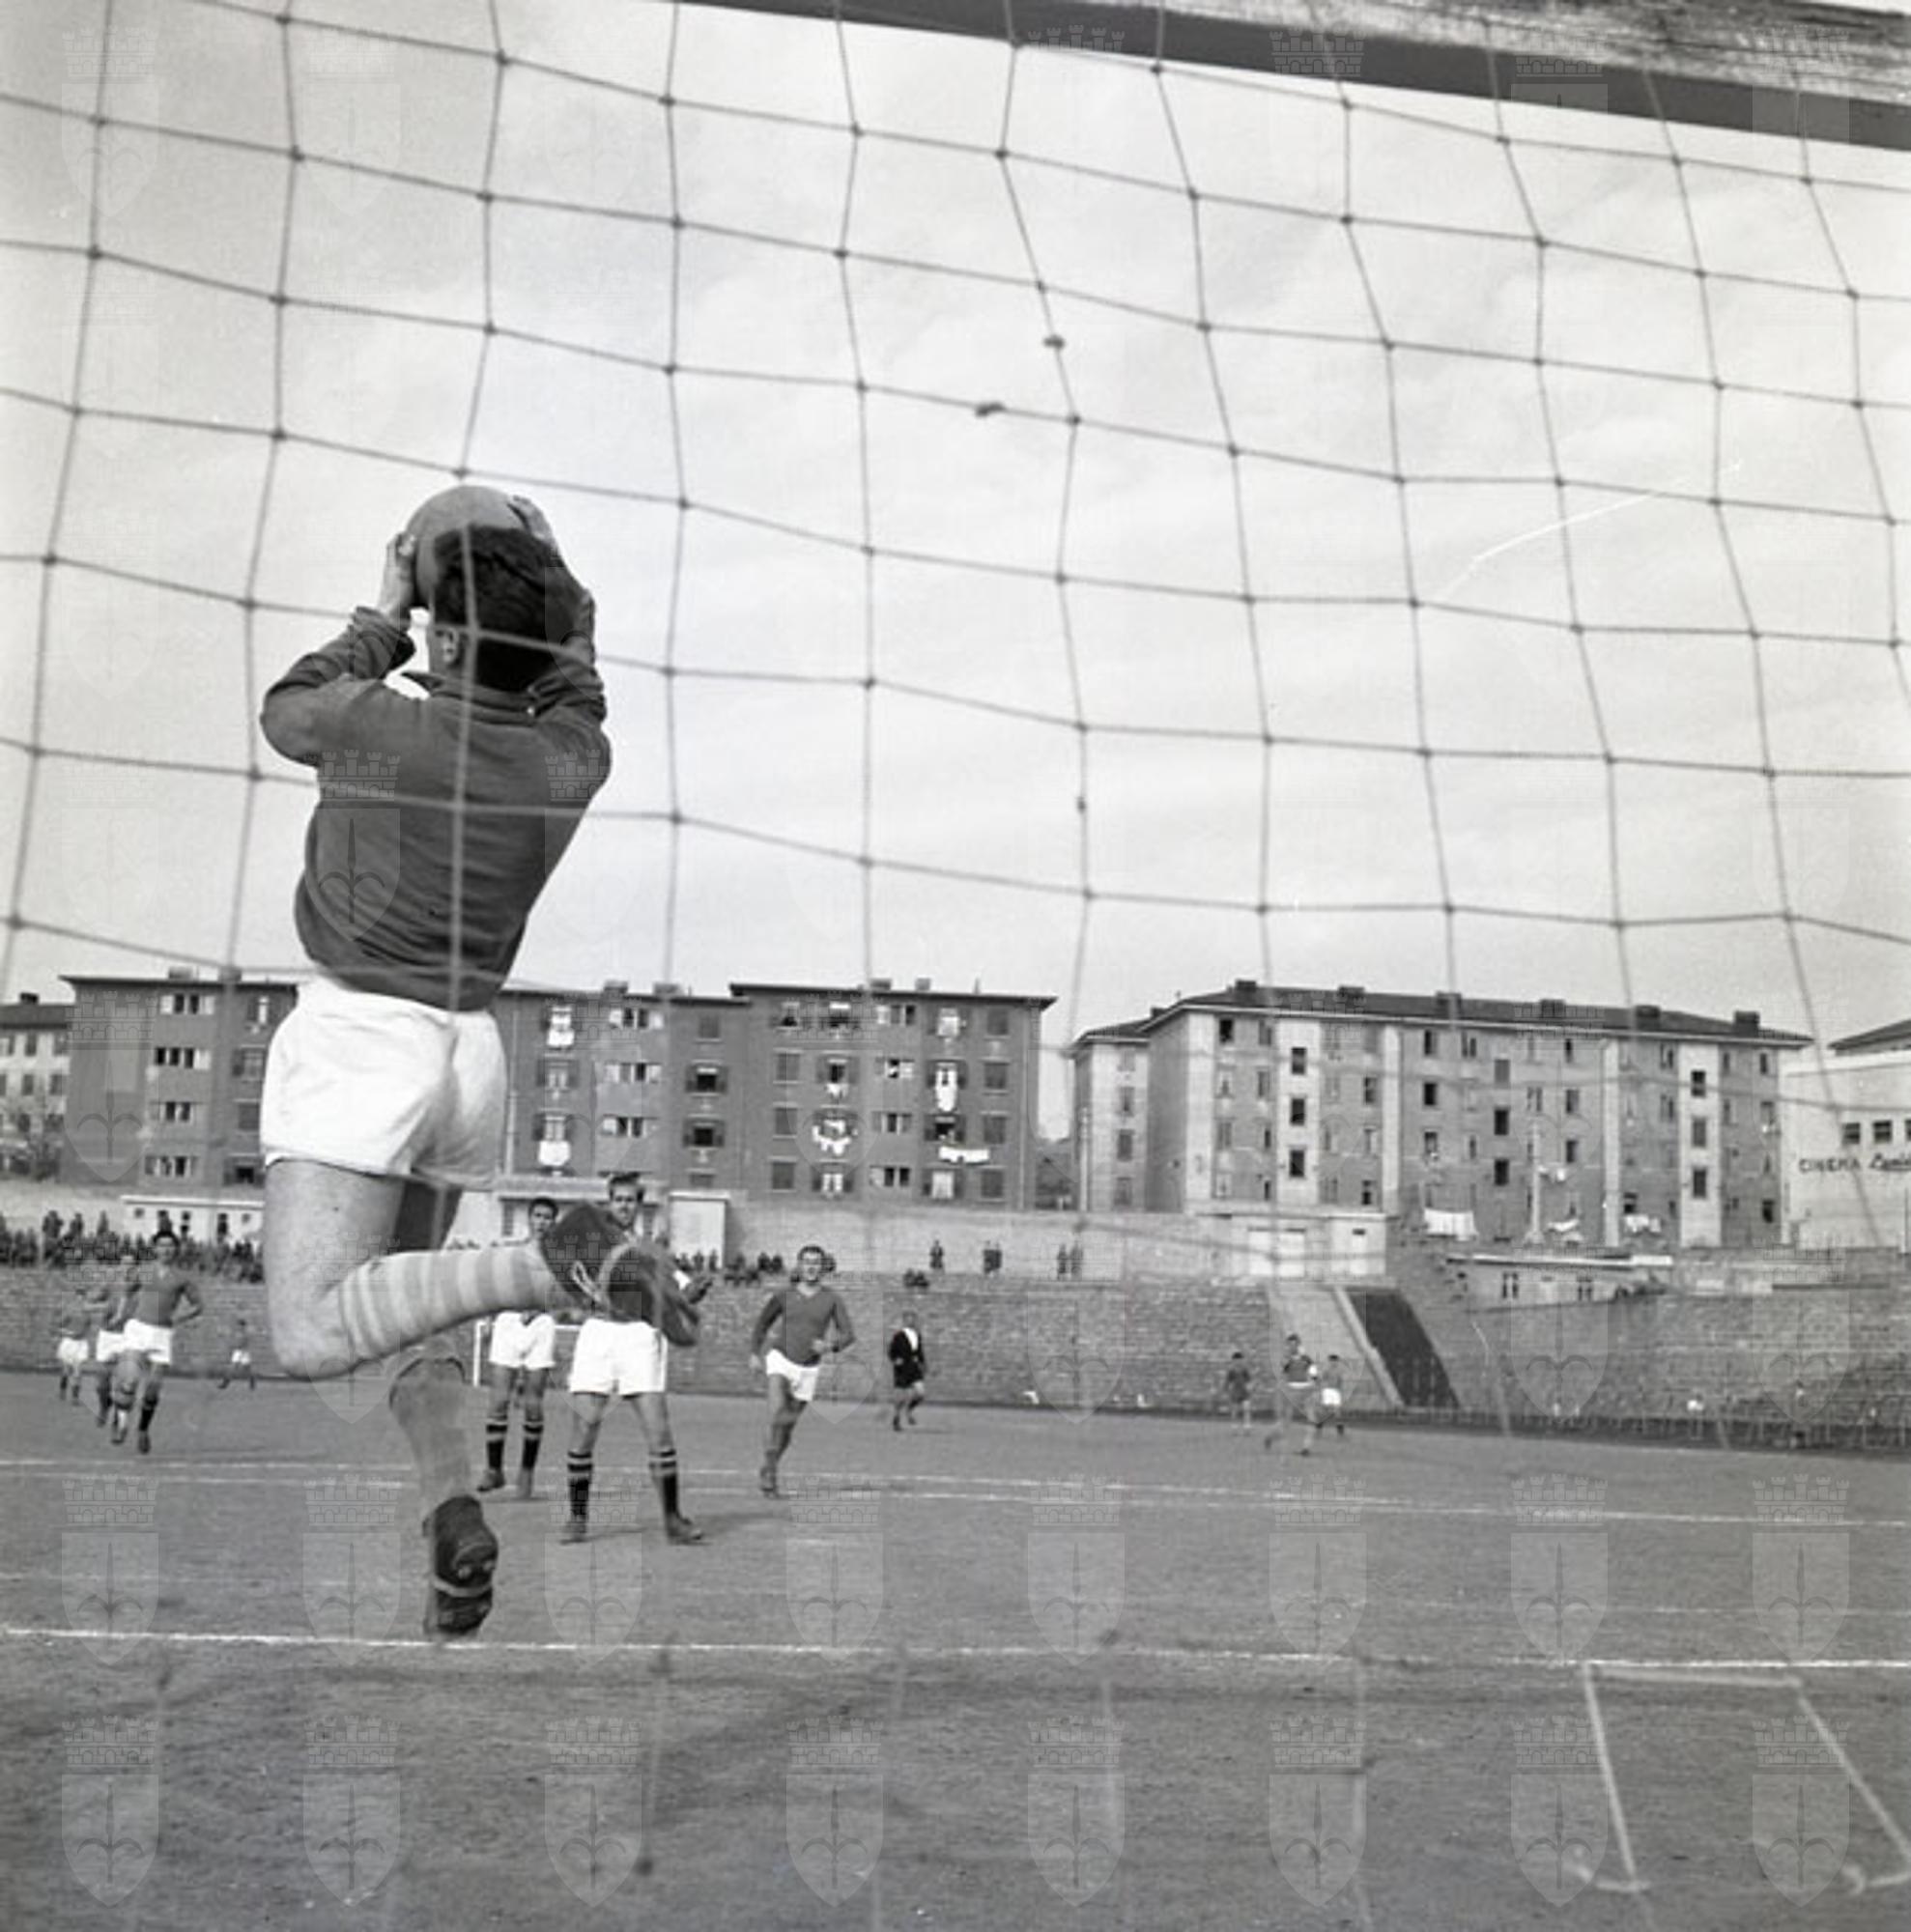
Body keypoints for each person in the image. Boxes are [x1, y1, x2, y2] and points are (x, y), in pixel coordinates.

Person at [257, 502, 625, 1639]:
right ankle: (450, 1513)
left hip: (361, 1040)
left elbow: (285, 706)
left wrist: (385, 610)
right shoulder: (570, 760)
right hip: (468, 1056)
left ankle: (544, 1261)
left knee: (310, 1332)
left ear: (444, 633)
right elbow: (577, 689)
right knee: (404, 1314)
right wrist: (556, 604)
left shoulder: (374, 725)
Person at [560, 1176, 703, 1547]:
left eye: (630, 1200)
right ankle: (577, 1517)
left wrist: (693, 1292)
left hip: (639, 1336)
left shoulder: (651, 1250)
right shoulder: (591, 1245)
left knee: (658, 1431)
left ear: (639, 1205)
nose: (624, 1205)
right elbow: (567, 1282)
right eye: (618, 1199)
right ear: (609, 1203)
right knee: (584, 1429)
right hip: (598, 1334)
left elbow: (682, 1288)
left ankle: (672, 1519)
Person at [751, 1243, 857, 1496]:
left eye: (816, 1263)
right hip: (780, 1359)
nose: (811, 1267)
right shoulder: (784, 1295)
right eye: (807, 1262)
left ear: (823, 1267)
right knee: (777, 1414)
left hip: (808, 1369)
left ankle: (770, 1464)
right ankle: (770, 1472)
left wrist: (830, 1346)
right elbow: (762, 1323)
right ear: (799, 1266)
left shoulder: (832, 1299)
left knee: (787, 1427)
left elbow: (848, 1334)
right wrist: (755, 1353)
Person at [479, 1196, 561, 1500]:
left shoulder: (560, 1256)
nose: (542, 1222)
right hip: (509, 1323)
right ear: (529, 1219)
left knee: (533, 1403)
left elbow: (564, 1293)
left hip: (541, 1325)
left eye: (547, 1217)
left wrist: (541, 1307)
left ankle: (527, 1472)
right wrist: (489, 1319)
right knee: (498, 1400)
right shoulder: (513, 1252)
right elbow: (497, 1287)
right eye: (537, 1216)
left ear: (554, 1222)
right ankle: (493, 1469)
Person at [111, 1228, 206, 1452]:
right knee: (130, 1379)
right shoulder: (144, 1271)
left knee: (153, 1389)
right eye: (162, 1245)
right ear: (155, 1248)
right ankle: (121, 1420)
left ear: (176, 1249)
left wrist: (178, 1318)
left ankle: (143, 1430)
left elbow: (198, 1306)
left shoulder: (182, 1278)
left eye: (170, 1246)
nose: (166, 1249)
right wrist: (120, 1314)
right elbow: (127, 1291)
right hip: (138, 1329)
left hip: (162, 1334)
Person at [1265, 1333, 1320, 1456]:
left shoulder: (1307, 1359)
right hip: (1292, 1392)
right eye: (1289, 1345)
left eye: (1294, 1344)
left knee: (1312, 1419)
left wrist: (1315, 1387)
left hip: (1306, 1390)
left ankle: (1306, 1448)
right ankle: (1270, 1436)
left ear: (1299, 1345)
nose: (1292, 1347)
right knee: (1286, 1422)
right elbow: (1282, 1377)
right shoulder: (1287, 1361)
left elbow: (1314, 1376)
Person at [887, 1310, 927, 1432]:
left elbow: (920, 1352)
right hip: (902, 1368)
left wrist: (923, 1364)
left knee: (920, 1393)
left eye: (913, 1319)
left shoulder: (917, 1335)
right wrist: (895, 1360)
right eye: (909, 1319)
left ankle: (909, 1409)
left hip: (914, 1368)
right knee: (900, 1397)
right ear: (904, 1321)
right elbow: (891, 1351)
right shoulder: (898, 1336)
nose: (911, 1321)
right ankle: (896, 1418)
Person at [54, 1291, 92, 1404]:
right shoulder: (69, 1312)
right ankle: (62, 1390)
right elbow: (59, 1327)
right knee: (66, 1370)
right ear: (75, 1299)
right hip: (69, 1343)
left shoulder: (87, 1315)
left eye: (83, 1299)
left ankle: (75, 1397)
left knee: (78, 1371)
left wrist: (83, 1335)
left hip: (80, 1344)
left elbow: (87, 1328)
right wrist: (69, 1333)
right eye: (79, 1299)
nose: (81, 1302)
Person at [216, 1313, 258, 1391]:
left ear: (243, 1326)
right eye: (238, 1326)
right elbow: (235, 1342)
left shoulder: (245, 1334)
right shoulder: (238, 1334)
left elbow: (243, 1343)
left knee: (246, 1369)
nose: (238, 1327)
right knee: (232, 1367)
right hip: (238, 1352)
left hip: (243, 1352)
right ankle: (225, 1383)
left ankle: (252, 1381)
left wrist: (237, 1347)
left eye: (239, 1326)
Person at [1222, 1350, 1252, 1432]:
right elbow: (1227, 1381)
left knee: (1246, 1408)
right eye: (1236, 1360)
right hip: (1235, 1392)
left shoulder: (1245, 1369)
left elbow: (1249, 1380)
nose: (1238, 1362)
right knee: (1235, 1410)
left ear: (1242, 1360)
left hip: (1244, 1392)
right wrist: (1226, 1390)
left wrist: (1249, 1387)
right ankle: (1234, 1426)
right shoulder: (1231, 1370)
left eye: (1240, 1360)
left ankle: (1247, 1425)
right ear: (1233, 1361)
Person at [1319, 1353, 1348, 1439]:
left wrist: (1341, 1392)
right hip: (1328, 1391)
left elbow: (1341, 1382)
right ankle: (1319, 1425)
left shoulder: (1339, 1371)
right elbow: (1322, 1379)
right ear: (1329, 1361)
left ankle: (1339, 1427)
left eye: (1335, 1361)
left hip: (1335, 1392)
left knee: (1337, 1410)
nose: (1333, 1363)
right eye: (1332, 1361)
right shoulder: (1326, 1370)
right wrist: (1323, 1390)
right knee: (1325, 1410)